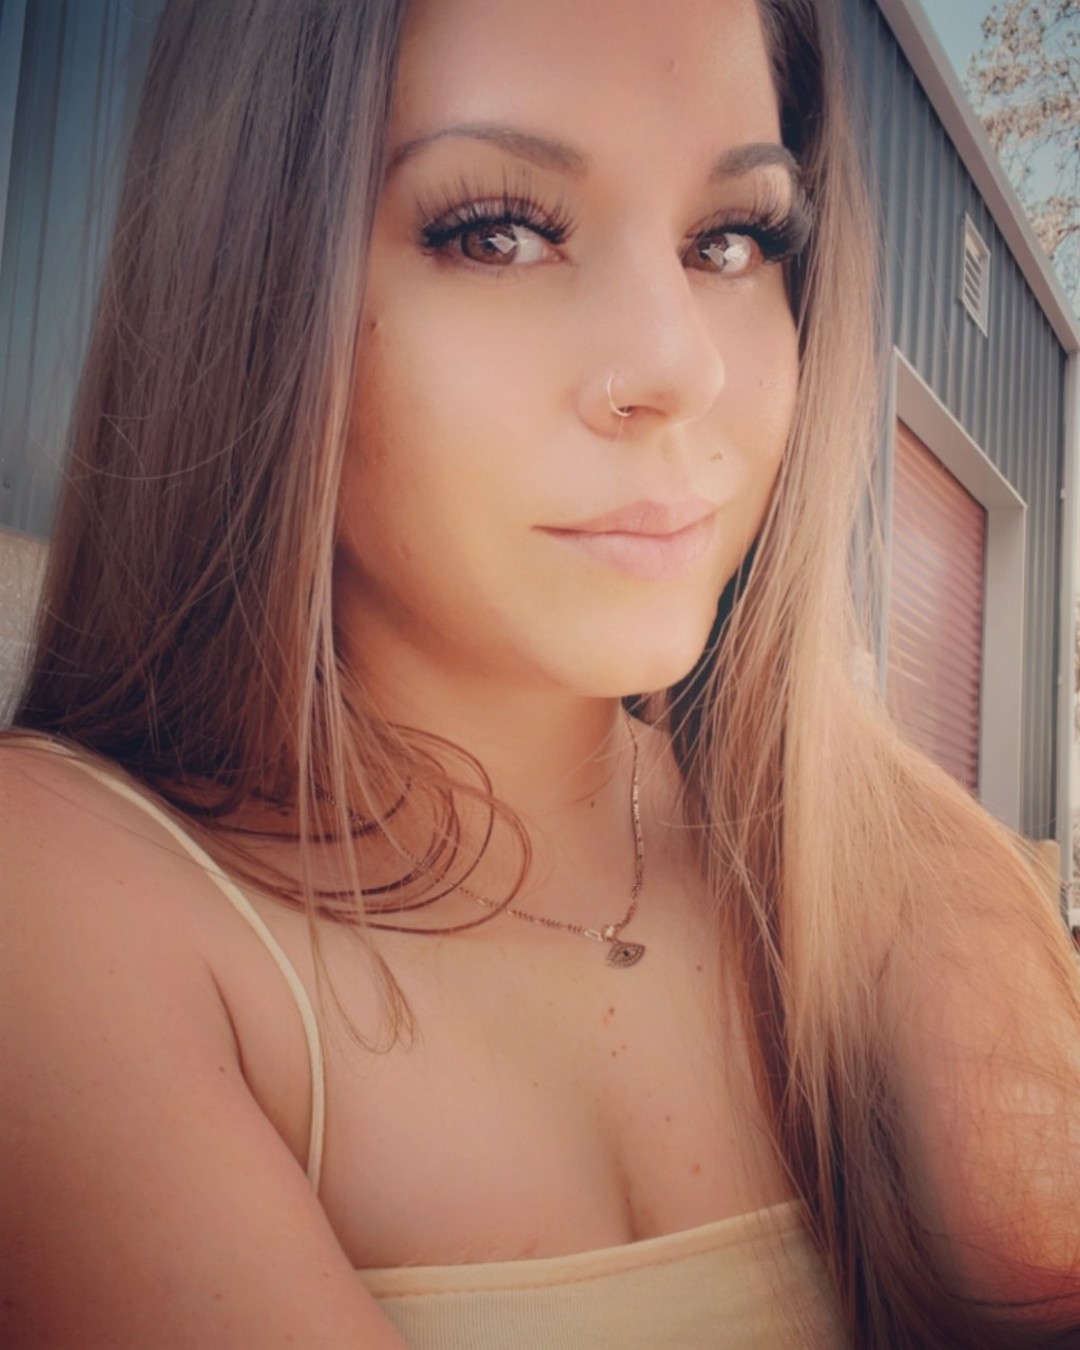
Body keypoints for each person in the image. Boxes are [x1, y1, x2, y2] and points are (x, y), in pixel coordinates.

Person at [1, 0, 1078, 1345]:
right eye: (496, 232)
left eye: (730, 240)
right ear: (249, 281)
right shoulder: (63, 902)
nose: (677, 366)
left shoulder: (886, 870)